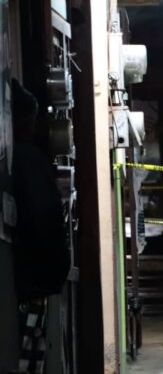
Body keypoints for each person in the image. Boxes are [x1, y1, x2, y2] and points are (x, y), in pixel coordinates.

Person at [11, 79, 70, 373]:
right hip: (30, 282)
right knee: (28, 355)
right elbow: (43, 219)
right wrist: (53, 272)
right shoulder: (29, 161)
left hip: (24, 277)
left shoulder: (15, 160)